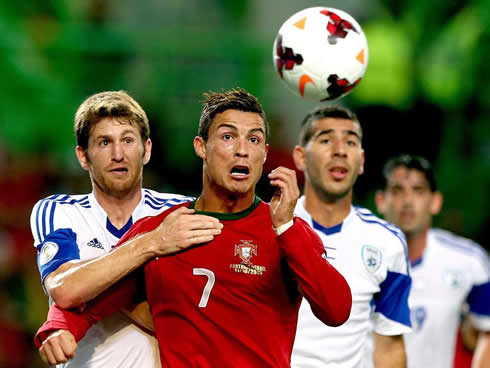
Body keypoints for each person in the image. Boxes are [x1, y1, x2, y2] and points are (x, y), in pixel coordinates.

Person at [34, 88, 353, 367]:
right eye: (228, 136)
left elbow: (337, 310)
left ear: (264, 153)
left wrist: (286, 228)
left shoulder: (288, 231)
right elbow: (97, 297)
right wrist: (60, 327)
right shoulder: (163, 230)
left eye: (253, 139)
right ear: (201, 147)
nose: (242, 149)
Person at [30, 90, 223, 367]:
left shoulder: (181, 211)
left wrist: (94, 286)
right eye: (104, 142)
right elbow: (65, 289)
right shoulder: (59, 210)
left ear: (147, 150)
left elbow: (200, 318)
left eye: (128, 141)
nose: (118, 154)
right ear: (83, 156)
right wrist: (152, 243)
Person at [290, 105, 412, 368]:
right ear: (300, 157)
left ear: (362, 161)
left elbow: (389, 347)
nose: (340, 151)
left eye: (350, 142)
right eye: (325, 140)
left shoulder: (388, 242)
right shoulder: (268, 226)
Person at [375, 154, 490, 368]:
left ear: (435, 202)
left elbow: (487, 330)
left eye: (418, 191)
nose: (408, 202)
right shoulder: (354, 256)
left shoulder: (470, 261)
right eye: (398, 191)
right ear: (381, 201)